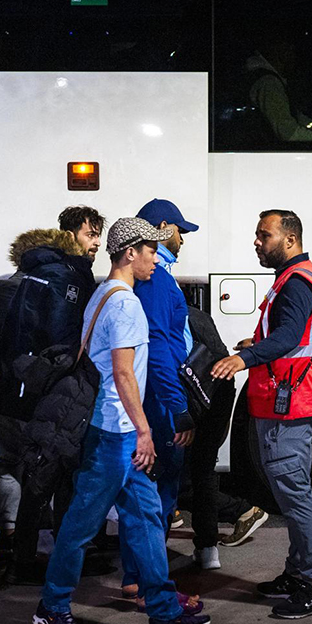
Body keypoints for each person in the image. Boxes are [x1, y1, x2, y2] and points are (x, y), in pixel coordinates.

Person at [32, 217, 211, 624]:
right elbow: (124, 374)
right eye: (150, 250)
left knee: (145, 518)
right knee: (81, 524)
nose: (156, 257)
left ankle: (163, 612)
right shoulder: (126, 303)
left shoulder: (101, 295)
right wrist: (145, 431)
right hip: (115, 433)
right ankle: (52, 607)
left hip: (113, 428)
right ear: (130, 253)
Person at [210, 210, 312, 619]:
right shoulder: (296, 277)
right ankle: (298, 573)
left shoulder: (297, 282)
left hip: (290, 403)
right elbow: (290, 337)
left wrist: (245, 358)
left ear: (290, 239)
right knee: (290, 492)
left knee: (295, 496)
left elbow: (288, 338)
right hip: (287, 398)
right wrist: (257, 342)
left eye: (265, 235)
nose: (257, 242)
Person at [0, 206, 103, 562]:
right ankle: (54, 552)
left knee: (13, 464)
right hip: (36, 390)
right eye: (91, 234)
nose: (97, 243)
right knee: (53, 471)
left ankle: (12, 539)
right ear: (70, 235)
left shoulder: (17, 277)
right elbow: (60, 341)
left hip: (2, 389)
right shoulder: (65, 277)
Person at [119, 199, 198, 602]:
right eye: (179, 230)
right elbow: (161, 348)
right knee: (157, 492)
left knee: (141, 490)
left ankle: (139, 575)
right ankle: (145, 579)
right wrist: (178, 408)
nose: (182, 238)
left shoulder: (143, 281)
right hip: (159, 401)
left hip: (151, 396)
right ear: (162, 229)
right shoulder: (158, 282)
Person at [185, 305, 268, 568]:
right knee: (203, 470)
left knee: (175, 477)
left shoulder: (157, 308)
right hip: (217, 392)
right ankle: (209, 550)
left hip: (197, 399)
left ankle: (239, 511)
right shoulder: (195, 314)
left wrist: (178, 416)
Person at [246, 40, 312, 143]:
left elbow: (300, 119)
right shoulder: (269, 83)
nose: (294, 56)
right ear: (278, 51)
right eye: (289, 50)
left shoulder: (273, 81)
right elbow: (289, 133)